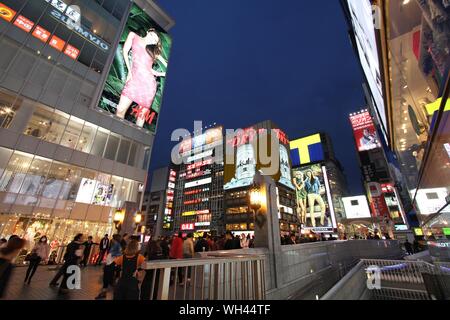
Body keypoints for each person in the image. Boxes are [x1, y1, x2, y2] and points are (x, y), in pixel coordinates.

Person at [116, 29, 167, 128]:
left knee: (141, 119)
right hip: (134, 80)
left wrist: (161, 73)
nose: (152, 40)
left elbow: (150, 68)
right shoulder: (133, 36)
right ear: (148, 32)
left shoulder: (153, 52)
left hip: (148, 86)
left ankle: (132, 141)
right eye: (152, 36)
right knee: (120, 110)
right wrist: (129, 72)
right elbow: (125, 52)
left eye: (155, 41)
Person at [95, 234, 122, 300]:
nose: (111, 239)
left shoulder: (116, 245)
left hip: (110, 264)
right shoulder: (117, 245)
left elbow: (117, 254)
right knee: (108, 279)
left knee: (107, 279)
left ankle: (114, 294)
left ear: (114, 239)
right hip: (111, 264)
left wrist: (109, 259)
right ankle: (105, 293)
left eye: (112, 238)